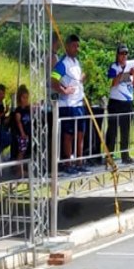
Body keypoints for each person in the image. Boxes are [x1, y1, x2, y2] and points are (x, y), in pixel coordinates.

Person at [51, 34, 88, 175]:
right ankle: (68, 163)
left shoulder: (77, 62)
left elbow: (77, 80)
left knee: (80, 134)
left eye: (78, 46)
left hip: (79, 103)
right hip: (68, 105)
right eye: (74, 46)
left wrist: (82, 79)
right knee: (68, 135)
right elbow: (54, 81)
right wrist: (64, 90)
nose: (76, 48)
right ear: (67, 46)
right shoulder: (62, 63)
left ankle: (79, 161)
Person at [105, 44, 134, 164]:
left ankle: (125, 155)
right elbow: (113, 83)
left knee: (125, 130)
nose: (124, 56)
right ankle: (109, 155)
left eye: (126, 53)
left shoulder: (130, 67)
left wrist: (133, 73)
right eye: (121, 53)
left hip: (127, 102)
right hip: (116, 102)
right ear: (117, 55)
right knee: (112, 130)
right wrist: (123, 72)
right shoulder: (114, 67)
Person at [11, 85, 31, 178]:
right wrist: (22, 133)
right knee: (21, 152)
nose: (26, 100)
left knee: (23, 151)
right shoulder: (18, 111)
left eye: (27, 98)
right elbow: (19, 122)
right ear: (20, 98)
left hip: (27, 134)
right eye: (24, 98)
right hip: (21, 135)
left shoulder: (27, 109)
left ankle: (20, 169)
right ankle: (19, 170)